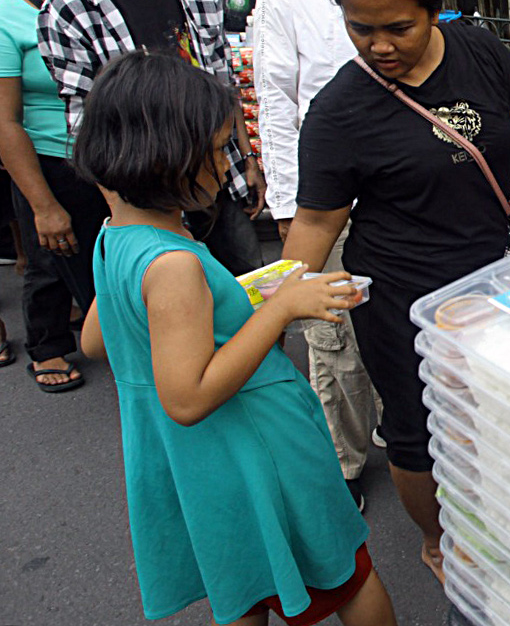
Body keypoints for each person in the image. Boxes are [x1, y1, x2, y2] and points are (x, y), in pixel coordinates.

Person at [73, 50, 396, 626]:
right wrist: (282, 310)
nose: (227, 166)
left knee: (243, 587)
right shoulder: (174, 263)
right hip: (257, 447)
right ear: (167, 154)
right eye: (218, 150)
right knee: (347, 574)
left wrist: (233, 302)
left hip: (196, 467)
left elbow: (99, 341)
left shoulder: (113, 238)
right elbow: (189, 397)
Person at [281, 0, 510, 583]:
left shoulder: (480, 52)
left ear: (434, 8)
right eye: (359, 29)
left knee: (508, 408)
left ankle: (509, 514)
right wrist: (268, 307)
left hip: (501, 284)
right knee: (417, 434)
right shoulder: (339, 111)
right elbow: (318, 220)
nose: (379, 46)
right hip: (402, 302)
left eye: (398, 28)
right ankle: (438, 540)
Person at [252, 0, 413, 511]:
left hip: (399, 188)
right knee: (332, 330)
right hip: (326, 197)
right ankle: (342, 460)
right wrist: (291, 210)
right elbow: (276, 98)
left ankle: (397, 432)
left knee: (394, 316)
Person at [36, 0, 264, 275]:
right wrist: (124, 220)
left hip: (216, 179)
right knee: (173, 310)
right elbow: (86, 123)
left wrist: (247, 159)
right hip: (144, 194)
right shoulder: (69, 8)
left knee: (247, 293)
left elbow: (221, 80)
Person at [0, 0, 110, 390]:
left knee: (110, 257)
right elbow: (6, 121)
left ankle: (115, 327)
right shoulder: (7, 17)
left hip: (114, 157)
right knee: (52, 251)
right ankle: (47, 345)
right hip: (50, 160)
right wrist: (42, 203)